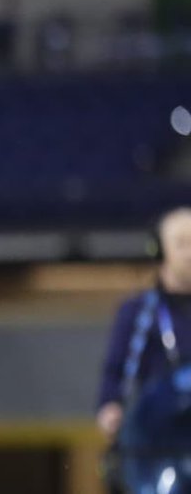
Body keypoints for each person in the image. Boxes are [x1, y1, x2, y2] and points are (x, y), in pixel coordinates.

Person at [97, 207, 191, 492]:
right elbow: (115, 370)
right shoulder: (137, 313)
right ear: (159, 251)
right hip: (155, 445)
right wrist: (109, 405)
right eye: (182, 243)